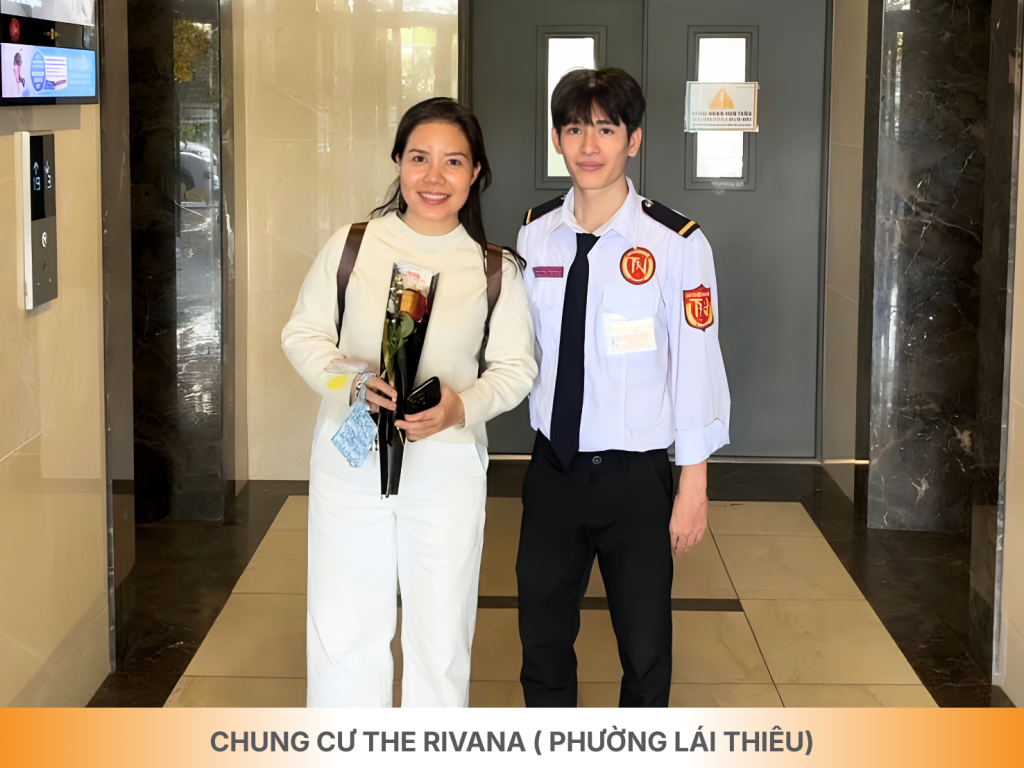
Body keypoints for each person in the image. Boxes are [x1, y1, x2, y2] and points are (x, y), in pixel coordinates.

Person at [282, 97, 537, 707]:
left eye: (453, 161)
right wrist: (349, 383)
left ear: (475, 173)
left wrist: (461, 408)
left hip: (444, 465)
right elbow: (303, 335)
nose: (433, 176)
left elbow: (515, 368)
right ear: (398, 161)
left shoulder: (493, 268)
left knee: (441, 634)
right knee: (344, 626)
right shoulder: (354, 245)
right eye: (419, 158)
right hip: (350, 460)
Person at [516, 68, 730, 707]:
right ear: (556, 139)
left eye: (606, 129)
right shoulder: (536, 235)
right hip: (552, 470)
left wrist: (693, 485)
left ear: (633, 140)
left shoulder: (675, 243)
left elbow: (697, 365)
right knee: (542, 645)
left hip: (635, 478)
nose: (589, 145)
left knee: (644, 651)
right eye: (574, 128)